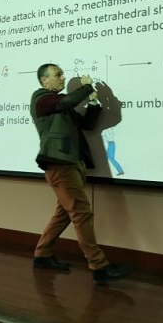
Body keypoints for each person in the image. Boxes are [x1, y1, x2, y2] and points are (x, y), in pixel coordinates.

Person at [30, 63, 132, 284]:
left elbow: (87, 124)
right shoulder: (41, 99)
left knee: (64, 213)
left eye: (62, 74)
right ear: (44, 80)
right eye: (57, 75)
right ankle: (100, 266)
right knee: (81, 212)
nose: (62, 77)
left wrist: (94, 102)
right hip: (60, 164)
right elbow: (66, 101)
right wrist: (86, 87)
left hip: (72, 164)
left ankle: (42, 254)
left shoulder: (61, 107)